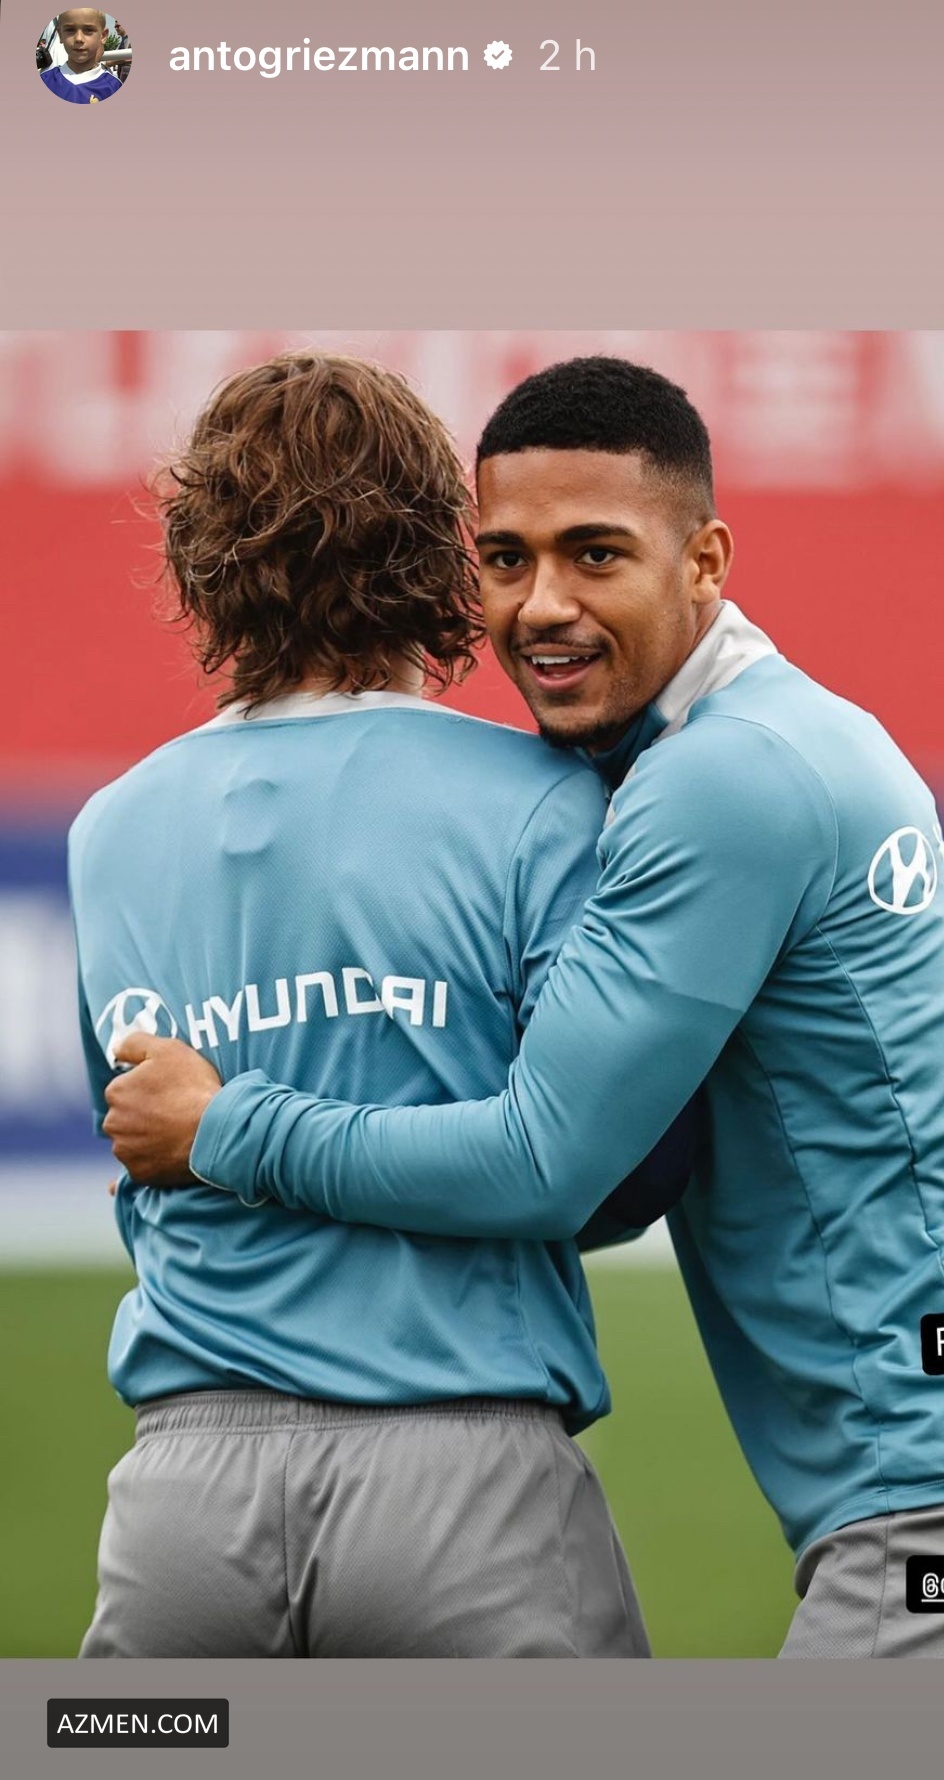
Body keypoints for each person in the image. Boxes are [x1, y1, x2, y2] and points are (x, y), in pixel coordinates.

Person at [107, 356, 944, 1659]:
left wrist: (227, 1129)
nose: (542, 605)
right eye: (505, 559)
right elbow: (619, 1171)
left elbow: (548, 1165)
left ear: (705, 562)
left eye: (595, 554)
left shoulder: (718, 784)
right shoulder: (780, 741)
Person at [69, 351, 663, 1658]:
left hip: (177, 1506)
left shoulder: (107, 832)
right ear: (435, 551)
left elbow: (144, 1151)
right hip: (462, 1480)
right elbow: (603, 1168)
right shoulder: (547, 805)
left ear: (201, 558)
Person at [40, 10, 123, 103]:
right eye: (70, 30)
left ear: (103, 36)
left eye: (89, 30)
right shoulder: (45, 80)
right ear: (60, 35)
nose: (79, 38)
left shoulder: (114, 87)